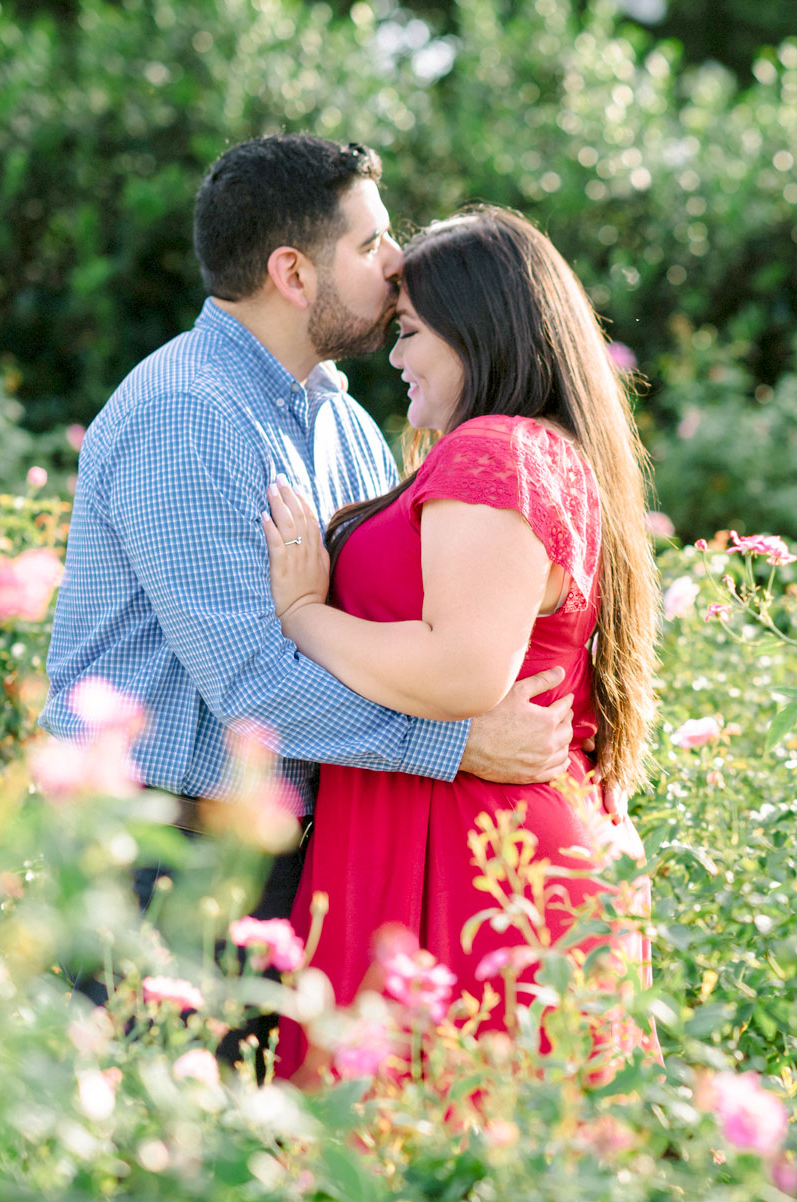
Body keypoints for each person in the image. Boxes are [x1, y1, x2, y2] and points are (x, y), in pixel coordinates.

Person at [43, 137, 573, 1055]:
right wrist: (459, 743)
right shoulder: (185, 412)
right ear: (293, 272)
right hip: (162, 854)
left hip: (287, 854)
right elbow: (250, 681)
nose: (398, 261)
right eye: (370, 244)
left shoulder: (344, 420)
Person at [258, 205, 658, 1084]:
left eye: (409, 333)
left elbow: (465, 670)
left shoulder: (494, 453)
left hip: (469, 865)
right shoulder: (535, 452)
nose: (395, 358)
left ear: (476, 330)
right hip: (471, 844)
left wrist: (304, 614)